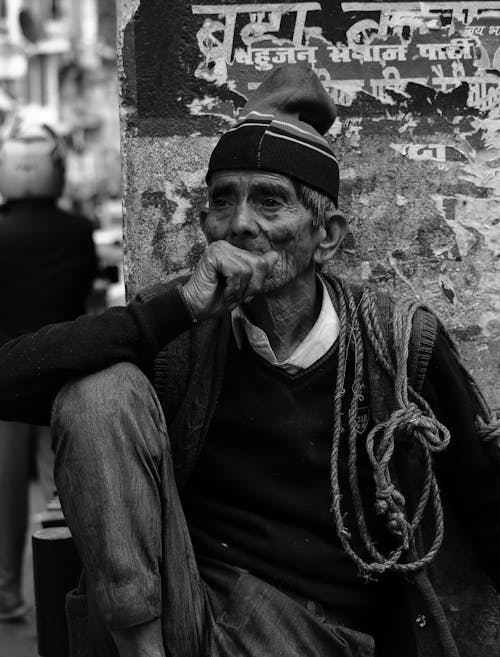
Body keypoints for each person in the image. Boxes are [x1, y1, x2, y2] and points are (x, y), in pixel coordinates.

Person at [0, 64, 498, 656]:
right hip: (177, 620)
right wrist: (175, 308)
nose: (240, 224)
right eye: (222, 202)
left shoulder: (396, 342)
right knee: (98, 392)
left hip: (322, 635)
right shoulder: (181, 337)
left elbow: (486, 495)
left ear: (327, 235)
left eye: (269, 202)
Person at [0, 118, 97, 621]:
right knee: (67, 487)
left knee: (7, 493)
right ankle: (72, 592)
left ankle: (8, 593)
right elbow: (84, 292)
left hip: (6, 378)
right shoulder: (77, 231)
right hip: (63, 370)